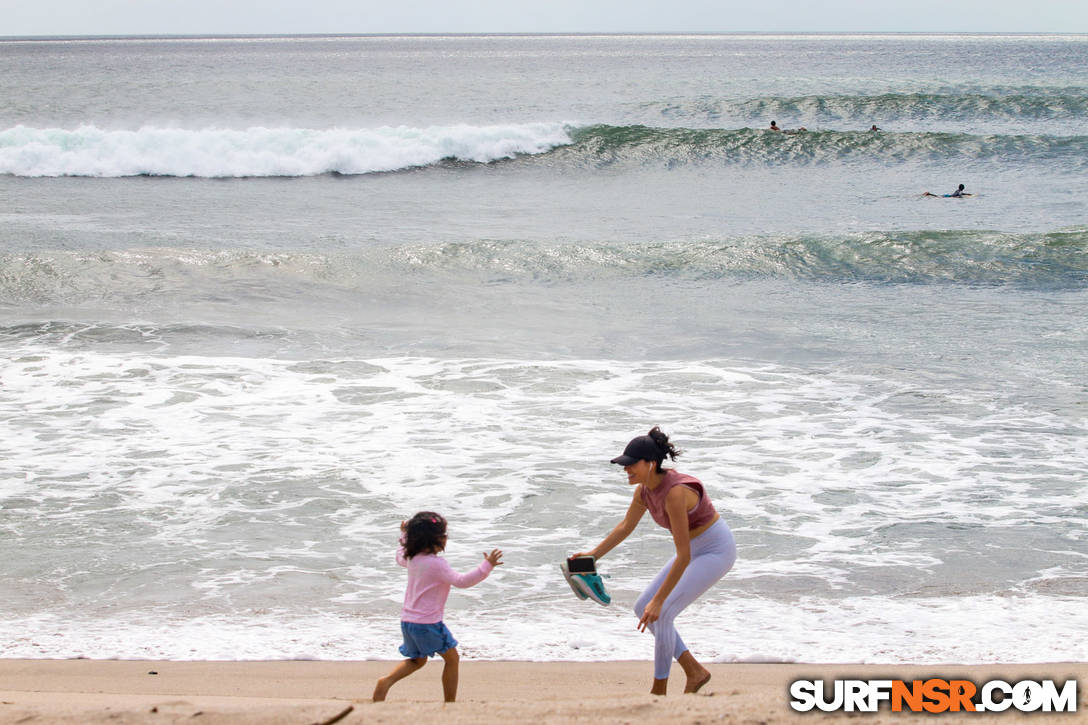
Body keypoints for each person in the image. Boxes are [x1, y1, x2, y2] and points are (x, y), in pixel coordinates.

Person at [573, 427, 736, 696]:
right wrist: (591, 557)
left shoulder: (675, 493)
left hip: (715, 550)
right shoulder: (644, 491)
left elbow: (683, 556)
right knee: (642, 608)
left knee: (663, 613)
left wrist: (659, 600)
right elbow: (625, 526)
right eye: (624, 466)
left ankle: (658, 691)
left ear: (650, 464)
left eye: (631, 465)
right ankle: (695, 671)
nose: (626, 471)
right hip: (694, 550)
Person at [373, 511, 503, 703]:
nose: (446, 538)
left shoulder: (412, 559)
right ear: (435, 540)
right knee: (452, 659)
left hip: (408, 622)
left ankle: (385, 681)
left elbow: (399, 555)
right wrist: (487, 566)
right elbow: (462, 581)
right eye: (443, 535)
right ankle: (449, 704)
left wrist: (404, 536)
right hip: (428, 624)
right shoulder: (437, 564)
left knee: (417, 660)